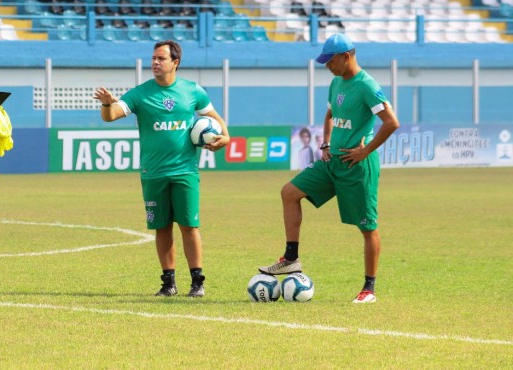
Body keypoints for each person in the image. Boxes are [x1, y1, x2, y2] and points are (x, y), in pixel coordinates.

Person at [259, 33, 400, 304]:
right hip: (331, 162)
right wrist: (325, 144)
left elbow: (391, 122)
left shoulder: (367, 86)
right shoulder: (336, 83)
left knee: (367, 227)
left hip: (357, 166)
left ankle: (369, 288)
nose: (327, 66)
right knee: (289, 192)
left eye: (330, 61)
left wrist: (365, 151)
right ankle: (290, 258)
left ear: (345, 57)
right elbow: (330, 115)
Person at [93, 40, 229, 298]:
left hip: (185, 172)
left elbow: (217, 122)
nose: (155, 62)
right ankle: (168, 284)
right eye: (153, 58)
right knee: (162, 227)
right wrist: (107, 102)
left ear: (175, 62)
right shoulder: (140, 93)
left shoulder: (193, 91)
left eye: (161, 59)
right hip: (153, 173)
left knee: (190, 226)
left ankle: (197, 282)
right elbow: (110, 116)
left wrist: (226, 138)